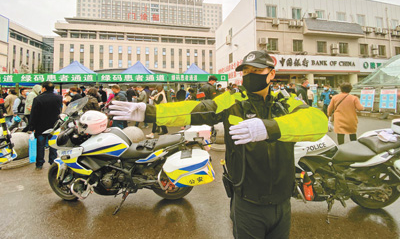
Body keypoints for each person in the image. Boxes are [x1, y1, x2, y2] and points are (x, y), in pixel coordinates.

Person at [109, 50, 327, 238]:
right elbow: (194, 109)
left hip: (282, 203)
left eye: (256, 71)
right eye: (246, 71)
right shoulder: (232, 100)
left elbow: (319, 123)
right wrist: (151, 112)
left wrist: (270, 128)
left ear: (272, 74)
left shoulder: (286, 102)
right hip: (247, 202)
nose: (250, 75)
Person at [28, 81, 62, 170]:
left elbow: (33, 114)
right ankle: (53, 161)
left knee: (40, 145)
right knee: (53, 145)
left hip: (40, 126)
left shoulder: (38, 99)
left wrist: (32, 127)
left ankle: (39, 163)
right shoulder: (59, 98)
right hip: (54, 126)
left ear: (44, 88)